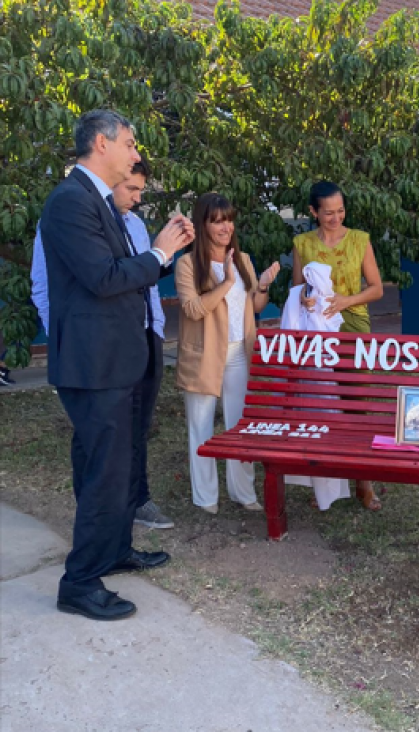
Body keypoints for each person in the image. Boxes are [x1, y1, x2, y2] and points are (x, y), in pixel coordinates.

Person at [40, 109, 193, 621]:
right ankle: (80, 581)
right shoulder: (69, 202)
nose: (135, 153)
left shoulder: (100, 203)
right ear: (101, 144)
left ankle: (113, 550)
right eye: (129, 143)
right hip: (92, 364)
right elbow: (105, 278)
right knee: (103, 471)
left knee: (119, 464)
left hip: (116, 360)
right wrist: (161, 253)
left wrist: (154, 253)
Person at [31, 158, 175, 530]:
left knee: (135, 429)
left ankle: (132, 509)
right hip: (95, 349)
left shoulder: (135, 224)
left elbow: (143, 279)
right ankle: (99, 527)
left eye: (141, 190)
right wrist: (70, 338)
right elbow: (47, 288)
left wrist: (155, 324)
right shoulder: (69, 215)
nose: (138, 198)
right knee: (99, 443)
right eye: (131, 189)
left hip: (142, 337)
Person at [176, 193, 280, 515]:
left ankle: (242, 492)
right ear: (203, 224)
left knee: (240, 427)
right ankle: (206, 497)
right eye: (217, 220)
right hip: (204, 355)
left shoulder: (243, 258)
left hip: (239, 354)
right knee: (201, 427)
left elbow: (255, 307)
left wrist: (261, 286)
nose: (225, 227)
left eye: (228, 219)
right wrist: (226, 283)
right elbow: (193, 309)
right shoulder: (188, 264)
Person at [293, 180, 384, 511]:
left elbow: (376, 289)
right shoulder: (302, 243)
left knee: (357, 403)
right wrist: (304, 299)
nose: (335, 218)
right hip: (317, 332)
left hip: (354, 327)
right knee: (322, 402)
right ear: (313, 212)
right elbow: (298, 290)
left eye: (340, 210)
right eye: (328, 212)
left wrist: (346, 301)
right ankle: (331, 476)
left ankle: (364, 480)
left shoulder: (359, 240)